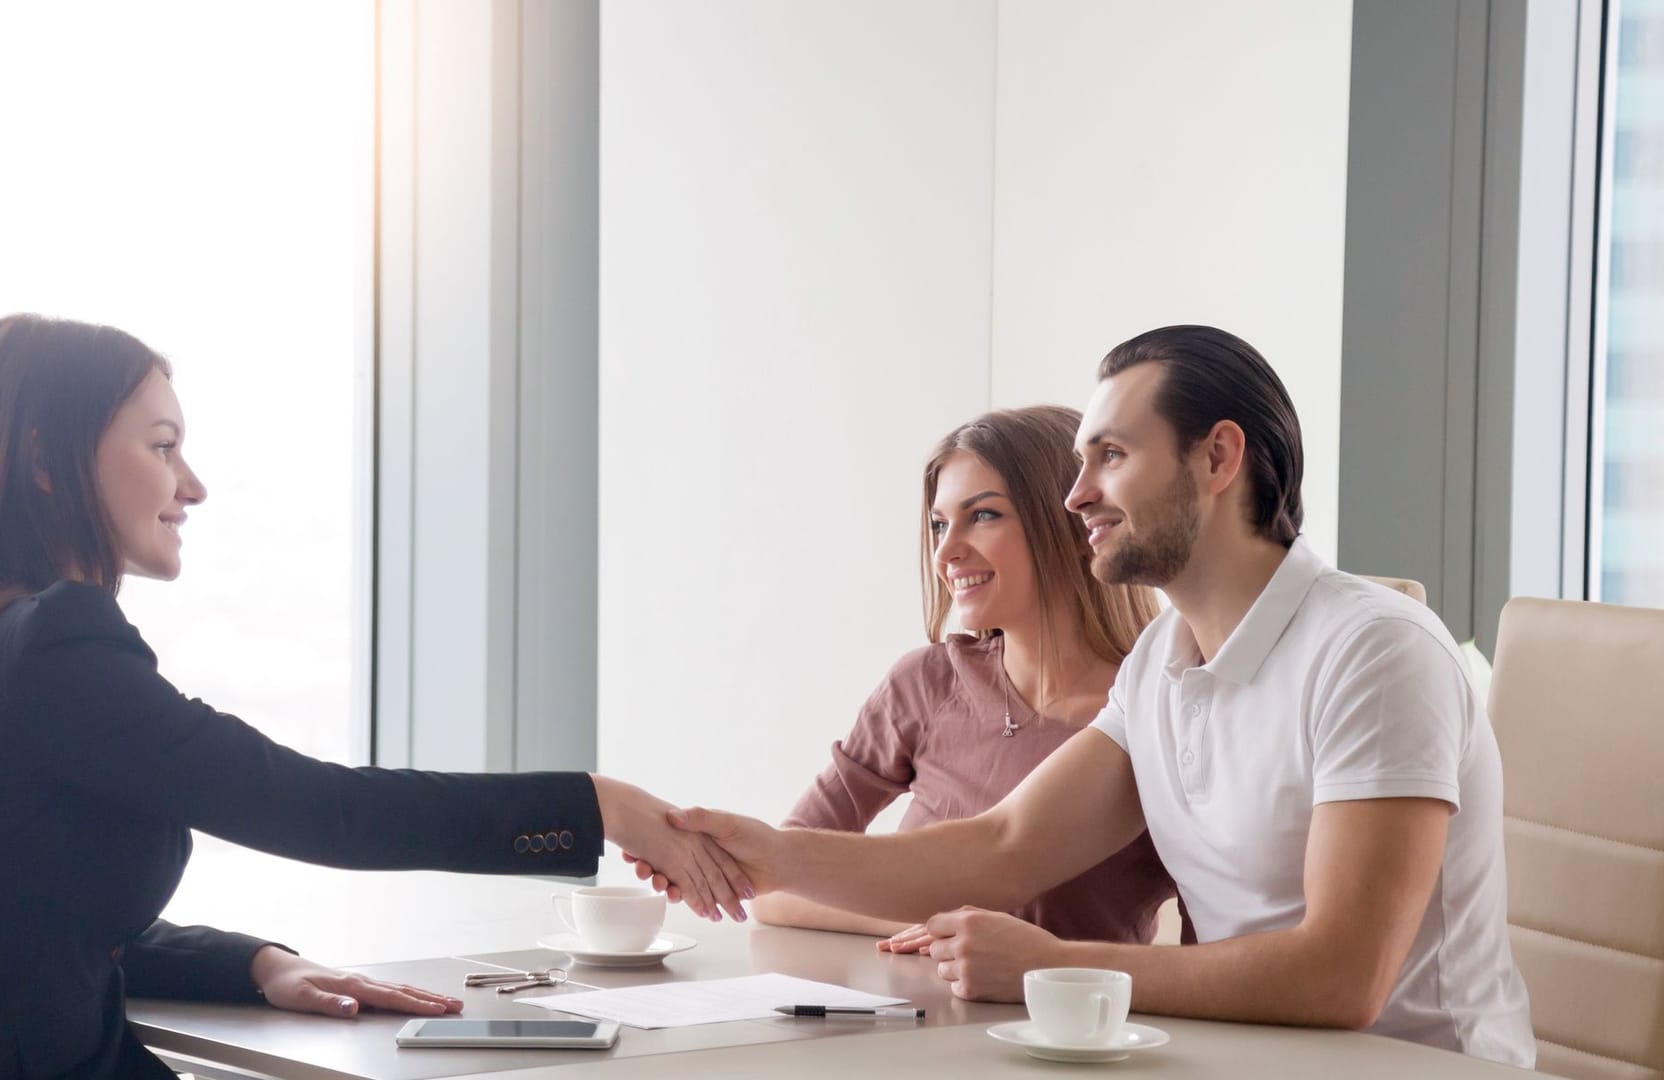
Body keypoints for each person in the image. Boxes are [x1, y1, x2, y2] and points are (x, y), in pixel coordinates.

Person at [0, 314, 751, 1079]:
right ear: (44, 461)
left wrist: (258, 963)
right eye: (162, 446)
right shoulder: (52, 647)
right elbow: (324, 808)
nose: (193, 485)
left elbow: (17, 925)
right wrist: (600, 805)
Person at [651, 326, 1534, 1066]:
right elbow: (1006, 845)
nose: (1076, 497)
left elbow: (1343, 977)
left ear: (1219, 457)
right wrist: (765, 854)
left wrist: (1057, 965)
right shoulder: (1161, 662)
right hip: (1247, 1056)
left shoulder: (1374, 652)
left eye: (1110, 456)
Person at [751, 406, 1179, 950]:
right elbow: (772, 886)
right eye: (938, 524)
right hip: (898, 1024)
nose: (946, 551)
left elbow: (1210, 950)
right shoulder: (925, 685)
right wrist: (936, 925)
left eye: (983, 516)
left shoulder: (1161, 715)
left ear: (1076, 524)